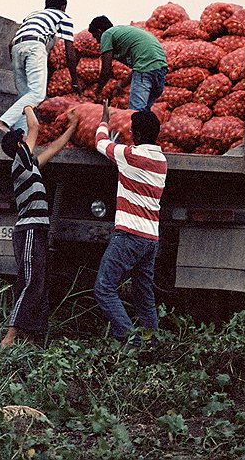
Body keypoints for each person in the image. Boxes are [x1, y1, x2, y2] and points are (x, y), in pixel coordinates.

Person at [0, 105, 79, 348]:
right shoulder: (19, 164)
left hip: (37, 231)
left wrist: (73, 127)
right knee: (31, 281)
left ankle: (31, 335)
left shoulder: (30, 165)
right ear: (20, 145)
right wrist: (28, 106)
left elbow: (54, 147)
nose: (28, 140)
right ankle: (10, 336)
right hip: (29, 231)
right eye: (24, 140)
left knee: (39, 282)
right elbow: (34, 126)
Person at [93, 99, 167, 347]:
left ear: (135, 135)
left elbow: (100, 143)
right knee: (143, 293)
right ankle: (153, 341)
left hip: (129, 235)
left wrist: (104, 119)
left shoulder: (131, 156)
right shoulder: (161, 161)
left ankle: (131, 340)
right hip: (151, 238)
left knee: (104, 288)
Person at [0, 0, 81, 133]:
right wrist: (75, 81)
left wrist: (17, 65)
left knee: (25, 97)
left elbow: (10, 43)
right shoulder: (63, 17)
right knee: (37, 94)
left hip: (16, 48)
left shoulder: (33, 15)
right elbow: (69, 52)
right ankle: (3, 121)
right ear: (63, 7)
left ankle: (21, 137)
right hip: (35, 46)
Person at [88, 16, 168, 111]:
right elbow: (140, 67)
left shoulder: (107, 34)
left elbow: (106, 70)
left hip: (146, 71)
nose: (97, 42)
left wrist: (98, 90)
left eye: (96, 37)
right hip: (161, 69)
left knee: (135, 113)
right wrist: (121, 85)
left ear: (99, 31)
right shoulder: (122, 31)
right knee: (145, 114)